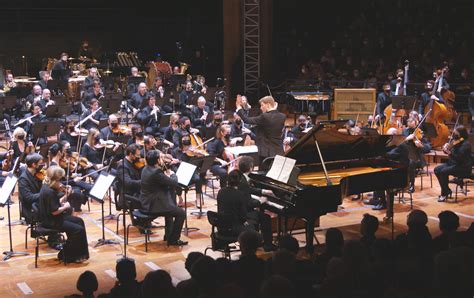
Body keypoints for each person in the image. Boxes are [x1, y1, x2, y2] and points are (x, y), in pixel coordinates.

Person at [38, 166, 89, 263]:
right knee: (78, 230)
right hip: (51, 221)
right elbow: (55, 211)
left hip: (53, 218)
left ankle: (79, 254)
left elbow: (55, 203)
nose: (60, 182)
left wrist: (66, 196)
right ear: (55, 179)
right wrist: (66, 206)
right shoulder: (49, 192)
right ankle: (65, 254)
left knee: (79, 221)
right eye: (59, 179)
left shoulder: (47, 186)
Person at [217, 170, 276, 251]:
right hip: (235, 227)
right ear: (240, 180)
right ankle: (266, 245)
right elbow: (243, 216)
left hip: (222, 226)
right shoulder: (239, 194)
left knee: (258, 217)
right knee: (260, 222)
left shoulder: (221, 192)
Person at [139, 150, 188, 246]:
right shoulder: (156, 172)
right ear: (157, 160)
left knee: (170, 208)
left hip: (147, 202)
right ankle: (173, 240)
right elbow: (173, 182)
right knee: (181, 213)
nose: (162, 159)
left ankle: (168, 236)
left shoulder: (146, 169)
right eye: (160, 157)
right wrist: (172, 174)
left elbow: (160, 180)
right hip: (154, 205)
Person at [236, 95, 286, 165]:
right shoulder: (282, 116)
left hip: (265, 153)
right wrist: (274, 108)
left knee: (264, 174)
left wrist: (238, 107)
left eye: (262, 105)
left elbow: (246, 119)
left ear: (268, 105)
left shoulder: (264, 117)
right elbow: (274, 114)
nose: (261, 108)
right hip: (278, 151)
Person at [435, 125, 472, 202]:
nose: (454, 134)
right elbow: (450, 153)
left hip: (462, 167)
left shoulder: (466, 144)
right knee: (437, 169)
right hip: (453, 164)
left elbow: (459, 159)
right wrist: (445, 149)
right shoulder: (455, 141)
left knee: (443, 172)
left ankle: (444, 193)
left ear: (461, 134)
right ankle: (447, 190)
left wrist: (449, 153)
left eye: (456, 133)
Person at [402, 116, 431, 192]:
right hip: (405, 155)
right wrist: (407, 138)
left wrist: (421, 146)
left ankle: (411, 184)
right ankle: (401, 183)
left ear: (416, 125)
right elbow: (400, 143)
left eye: (413, 128)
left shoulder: (420, 133)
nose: (411, 130)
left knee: (411, 163)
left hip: (417, 157)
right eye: (409, 128)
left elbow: (428, 148)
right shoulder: (405, 131)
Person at [18, 153, 45, 223]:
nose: (43, 166)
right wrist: (44, 194)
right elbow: (28, 198)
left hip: (40, 204)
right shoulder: (23, 179)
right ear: (34, 165)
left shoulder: (37, 174)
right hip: (31, 210)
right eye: (40, 164)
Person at [116, 144, 143, 208]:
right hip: (129, 196)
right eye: (137, 155)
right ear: (131, 154)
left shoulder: (134, 163)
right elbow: (128, 183)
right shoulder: (122, 166)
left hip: (137, 192)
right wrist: (143, 181)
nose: (139, 157)